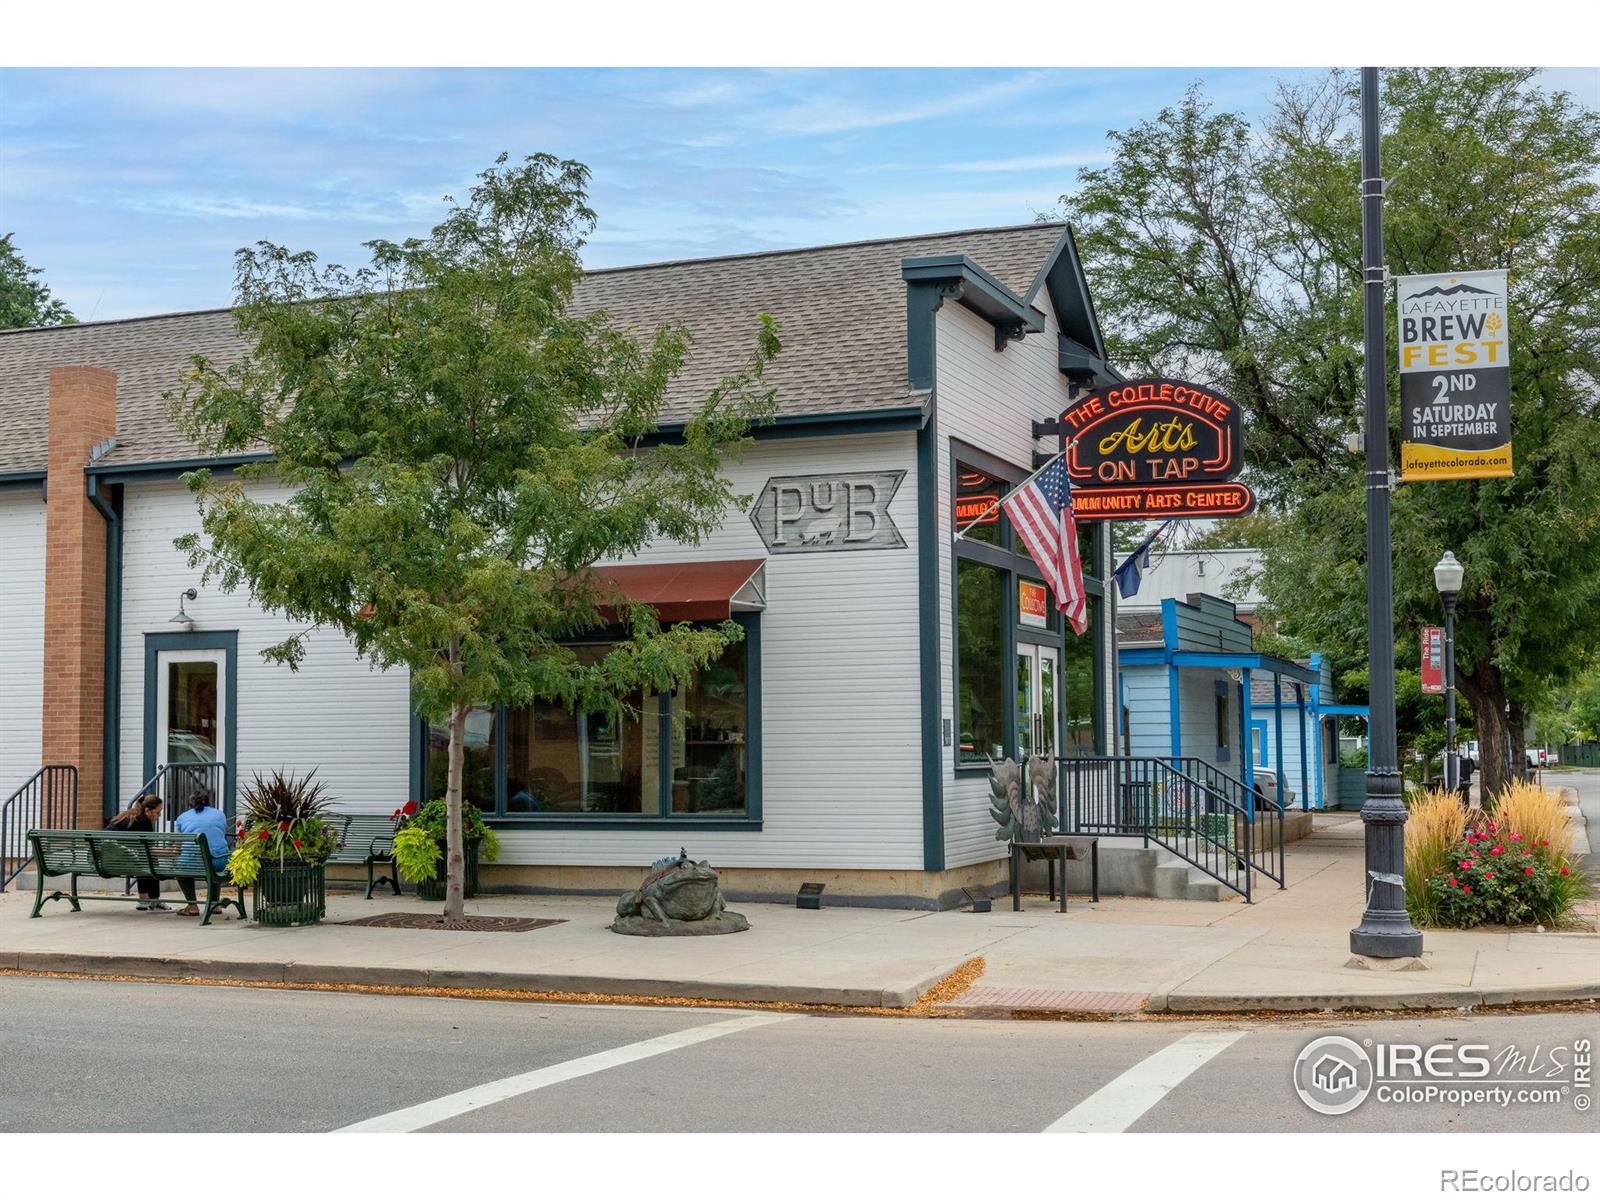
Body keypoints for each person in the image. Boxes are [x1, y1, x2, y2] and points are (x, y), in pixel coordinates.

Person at [173, 791, 232, 917]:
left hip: (193, 863)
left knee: (182, 869)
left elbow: (177, 846)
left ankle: (192, 905)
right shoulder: (220, 814)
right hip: (219, 862)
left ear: (190, 805)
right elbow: (222, 833)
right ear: (209, 803)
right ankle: (214, 904)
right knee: (213, 867)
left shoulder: (182, 817)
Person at [108, 794, 169, 911]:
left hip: (104, 861)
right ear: (147, 810)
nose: (159, 815)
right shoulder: (144, 822)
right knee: (150, 860)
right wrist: (167, 852)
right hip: (117, 862)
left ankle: (143, 900)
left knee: (143, 858)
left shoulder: (125, 816)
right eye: (157, 812)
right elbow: (148, 851)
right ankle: (154, 900)